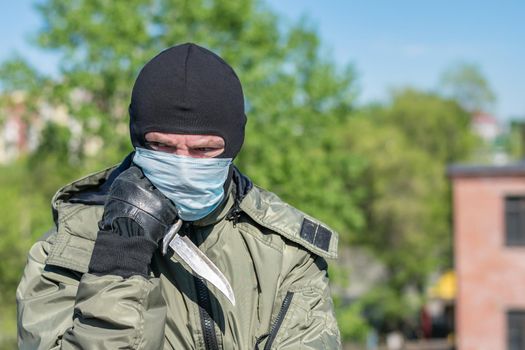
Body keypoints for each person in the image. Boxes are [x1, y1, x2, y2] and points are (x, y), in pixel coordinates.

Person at [17, 43, 341, 349]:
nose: (184, 166)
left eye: (204, 150)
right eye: (163, 147)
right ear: (138, 139)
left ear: (234, 145)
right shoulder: (72, 243)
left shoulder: (286, 251)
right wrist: (118, 264)